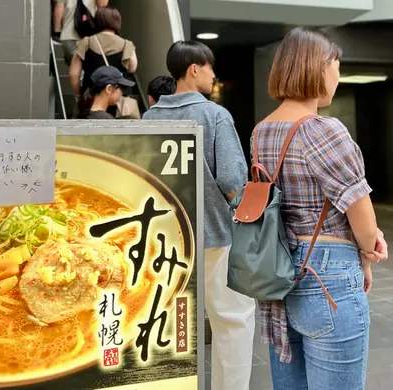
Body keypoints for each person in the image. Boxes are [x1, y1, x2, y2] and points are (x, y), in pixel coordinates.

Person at [256, 27, 388, 390]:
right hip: (328, 276)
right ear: (315, 67)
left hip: (279, 273)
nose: (338, 76)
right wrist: (368, 249)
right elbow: (361, 213)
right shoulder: (324, 130)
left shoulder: (261, 131)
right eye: (336, 66)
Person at [143, 41, 256, 390]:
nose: (213, 74)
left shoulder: (150, 117)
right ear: (194, 69)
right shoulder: (215, 115)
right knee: (232, 319)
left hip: (165, 240)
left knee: (174, 321)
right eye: (210, 68)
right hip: (214, 234)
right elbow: (233, 181)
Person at [69, 7, 137, 98]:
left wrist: (78, 94)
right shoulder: (126, 45)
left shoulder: (86, 42)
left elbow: (73, 74)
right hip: (115, 96)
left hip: (91, 95)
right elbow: (132, 69)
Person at [56, 0, 109, 65]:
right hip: (87, 38)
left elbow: (59, 8)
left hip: (67, 36)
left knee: (73, 68)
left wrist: (57, 33)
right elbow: (103, 9)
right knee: (82, 72)